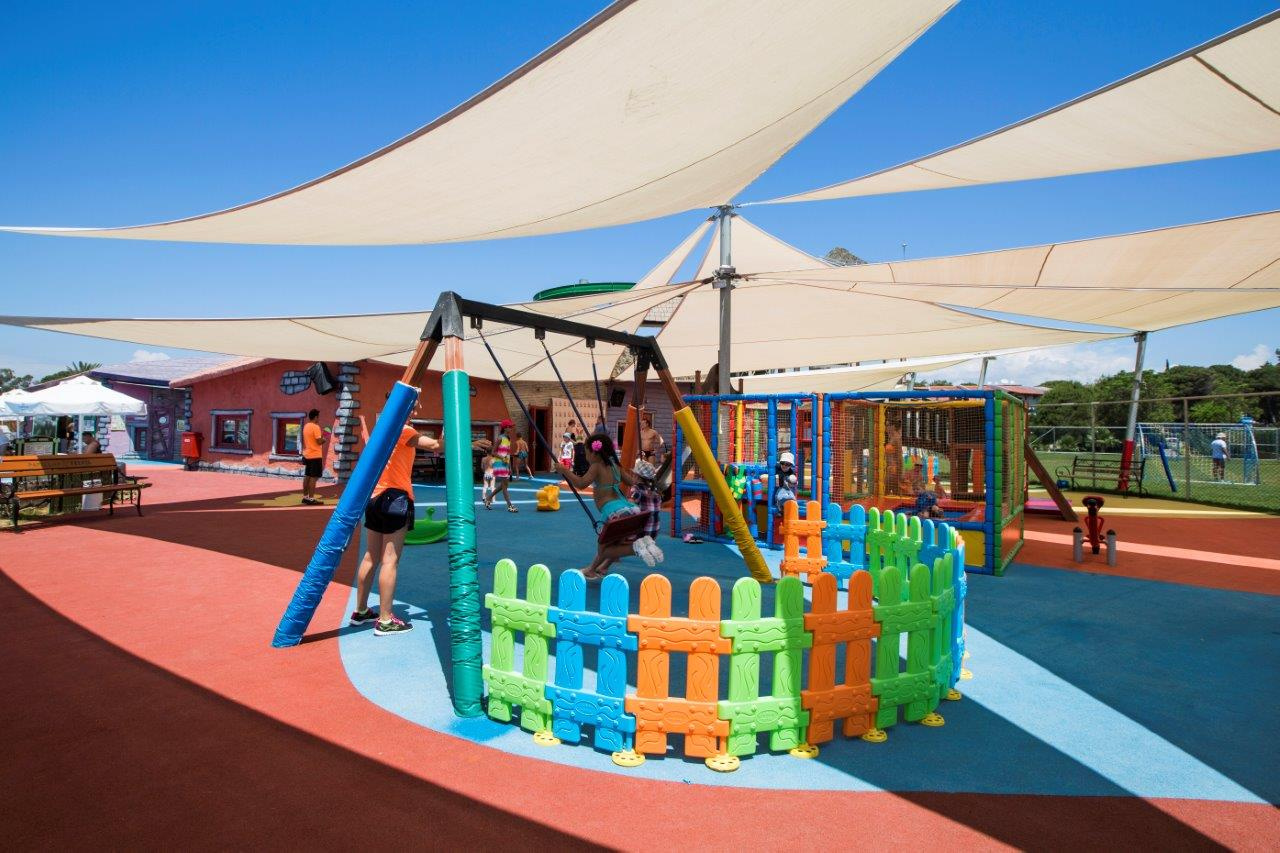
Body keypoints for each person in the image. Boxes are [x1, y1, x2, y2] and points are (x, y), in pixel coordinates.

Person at [351, 418, 488, 634]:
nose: (416, 408)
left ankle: (360, 611)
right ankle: (385, 620)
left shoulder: (382, 429)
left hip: (375, 497)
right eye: (414, 404)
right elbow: (434, 445)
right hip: (395, 497)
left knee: (371, 556)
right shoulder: (403, 429)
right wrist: (468, 443)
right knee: (390, 560)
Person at [556, 433, 663, 580]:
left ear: (594, 452)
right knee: (615, 543)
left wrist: (564, 471)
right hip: (628, 508)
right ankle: (599, 568)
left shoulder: (596, 467)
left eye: (587, 453)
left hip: (613, 511)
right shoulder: (615, 465)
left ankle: (635, 548)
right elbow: (632, 481)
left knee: (603, 549)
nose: (586, 456)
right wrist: (646, 484)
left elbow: (581, 484)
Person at [631, 456, 671, 544]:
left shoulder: (636, 490)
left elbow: (630, 506)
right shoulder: (656, 491)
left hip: (642, 533)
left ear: (637, 476)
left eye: (633, 474)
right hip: (654, 532)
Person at [484, 419, 518, 512]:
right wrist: (502, 458)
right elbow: (493, 452)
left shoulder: (508, 439)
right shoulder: (500, 438)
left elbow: (507, 454)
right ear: (505, 428)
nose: (511, 428)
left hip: (505, 464)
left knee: (504, 485)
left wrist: (509, 467)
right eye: (509, 427)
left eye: (511, 427)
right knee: (504, 486)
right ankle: (510, 506)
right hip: (499, 464)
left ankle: (488, 498)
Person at [300, 409, 327, 505]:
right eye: (318, 417)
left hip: (307, 455)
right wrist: (324, 439)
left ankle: (305, 497)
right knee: (313, 477)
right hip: (315, 455)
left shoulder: (306, 426)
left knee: (307, 476)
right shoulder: (316, 427)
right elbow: (319, 441)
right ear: (315, 417)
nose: (319, 419)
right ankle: (311, 499)